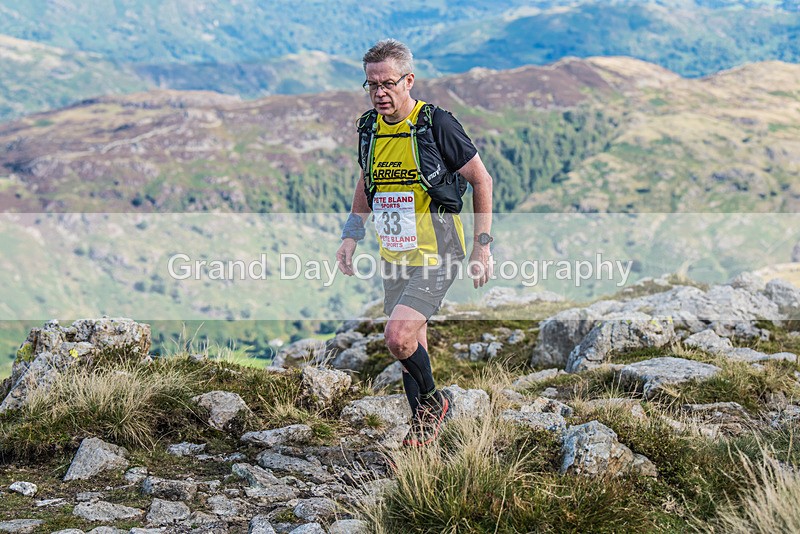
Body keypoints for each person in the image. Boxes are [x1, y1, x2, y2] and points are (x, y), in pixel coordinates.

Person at [336, 39, 494, 447]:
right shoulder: (369, 128)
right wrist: (352, 234)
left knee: (397, 337)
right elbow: (365, 181)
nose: (379, 93)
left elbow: (481, 179)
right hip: (395, 253)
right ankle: (423, 435)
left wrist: (482, 245)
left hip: (438, 252)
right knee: (411, 351)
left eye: (387, 83)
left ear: (409, 80)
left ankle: (435, 406)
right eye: (371, 85)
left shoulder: (436, 124)